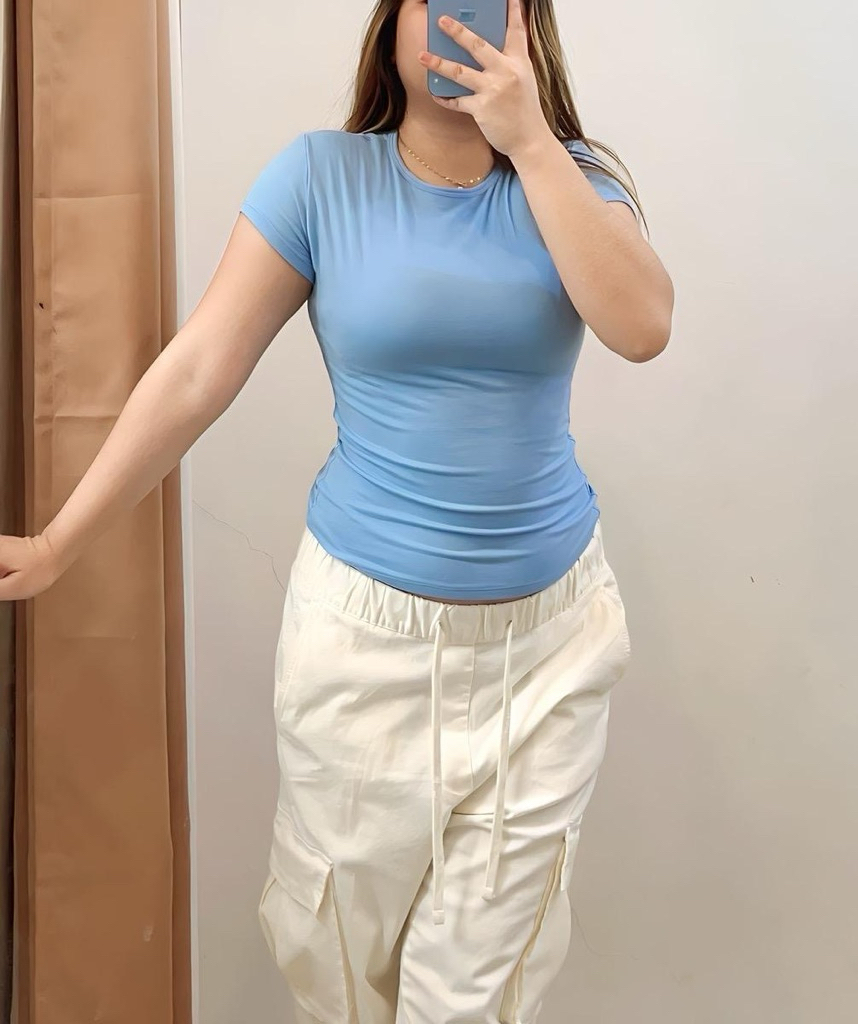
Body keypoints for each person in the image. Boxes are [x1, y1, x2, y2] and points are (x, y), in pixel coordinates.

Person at [0, 0, 673, 1019]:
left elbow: (643, 326)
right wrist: (58, 543)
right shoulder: (320, 179)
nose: (455, 26)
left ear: (527, 29)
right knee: (341, 970)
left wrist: (531, 141)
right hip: (362, 647)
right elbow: (196, 372)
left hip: (547, 651)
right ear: (390, 23)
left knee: (471, 994)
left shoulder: (570, 180)